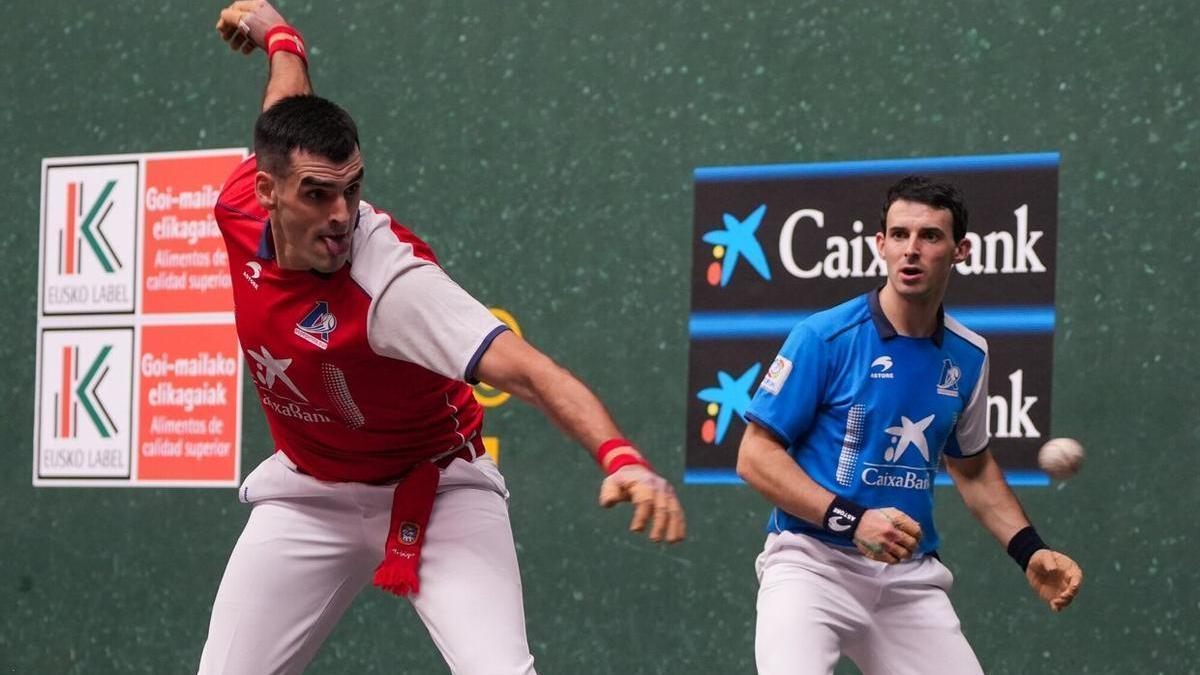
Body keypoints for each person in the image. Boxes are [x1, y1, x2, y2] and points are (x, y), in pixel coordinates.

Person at [200, 3, 685, 673]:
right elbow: (285, 109)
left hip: (436, 489)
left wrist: (621, 456)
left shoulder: (393, 287)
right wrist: (283, 41)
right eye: (316, 194)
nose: (340, 215)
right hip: (310, 494)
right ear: (267, 192)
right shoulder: (237, 203)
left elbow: (531, 372)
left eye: (352, 189)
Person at [735, 176, 1082, 675]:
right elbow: (755, 457)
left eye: (930, 237)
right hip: (810, 567)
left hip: (907, 581)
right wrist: (853, 521)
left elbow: (974, 470)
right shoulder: (825, 337)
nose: (911, 250)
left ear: (961, 249)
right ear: (880, 245)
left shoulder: (968, 354)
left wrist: (1030, 551)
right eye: (899, 235)